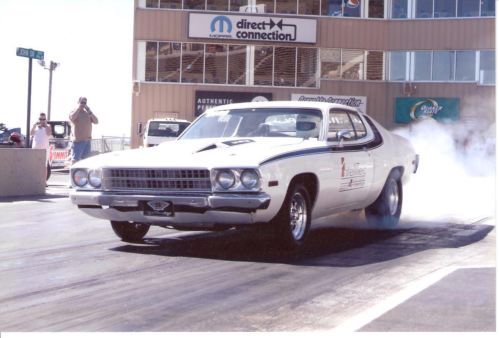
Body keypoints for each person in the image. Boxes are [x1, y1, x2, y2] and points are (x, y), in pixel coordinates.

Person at [69, 97, 98, 164]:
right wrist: (79, 108)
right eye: (82, 102)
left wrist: (89, 110)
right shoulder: (74, 111)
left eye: (85, 103)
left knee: (86, 161)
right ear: (78, 103)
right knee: (75, 161)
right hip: (78, 141)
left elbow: (96, 121)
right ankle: (74, 174)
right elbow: (72, 118)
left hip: (87, 141)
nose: (83, 104)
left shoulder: (87, 113)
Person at [31, 112, 52, 181]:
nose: (42, 121)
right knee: (34, 165)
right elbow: (31, 133)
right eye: (40, 119)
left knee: (45, 166)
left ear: (46, 119)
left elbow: (49, 134)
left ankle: (44, 181)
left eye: (43, 119)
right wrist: (34, 126)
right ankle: (35, 180)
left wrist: (45, 126)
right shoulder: (36, 126)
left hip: (44, 149)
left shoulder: (48, 126)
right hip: (35, 149)